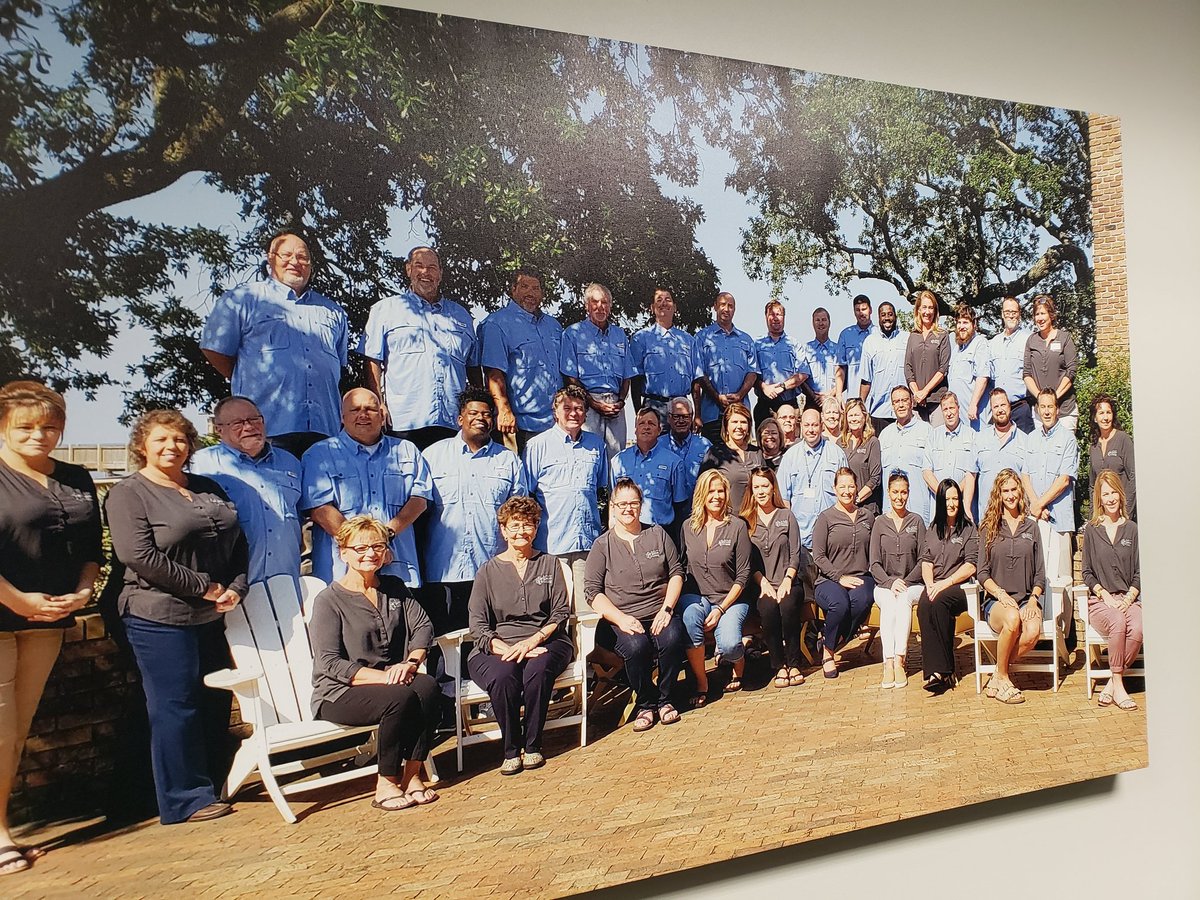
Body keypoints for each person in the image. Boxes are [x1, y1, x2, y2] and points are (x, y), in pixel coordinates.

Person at [105, 409, 248, 824]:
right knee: (175, 705)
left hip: (211, 615)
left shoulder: (207, 486)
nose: (173, 447)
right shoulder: (129, 493)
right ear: (142, 446)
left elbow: (238, 541)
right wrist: (203, 586)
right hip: (157, 615)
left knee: (215, 699)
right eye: (161, 440)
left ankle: (213, 784)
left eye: (180, 439)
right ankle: (182, 799)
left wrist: (236, 586)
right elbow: (138, 556)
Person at [0, 382, 102, 873]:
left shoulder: (76, 478)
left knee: (17, 730)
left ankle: (3, 826)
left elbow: (90, 552)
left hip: (50, 618)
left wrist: (83, 594)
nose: (39, 435)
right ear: (4, 425)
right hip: (4, 612)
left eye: (50, 426)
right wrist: (17, 599)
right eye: (26, 426)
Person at [310, 516, 440, 810]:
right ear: (343, 552)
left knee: (429, 687)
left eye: (378, 546)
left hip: (394, 681)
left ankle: (412, 775)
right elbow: (330, 662)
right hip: (340, 692)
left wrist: (411, 661)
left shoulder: (393, 587)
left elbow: (422, 626)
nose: (370, 554)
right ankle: (386, 782)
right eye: (360, 548)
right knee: (399, 696)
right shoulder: (329, 601)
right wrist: (385, 678)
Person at [200, 232, 349, 458]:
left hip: (324, 431)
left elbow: (338, 363)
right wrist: (246, 377)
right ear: (270, 258)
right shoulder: (243, 299)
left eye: (302, 257)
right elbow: (214, 350)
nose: (295, 262)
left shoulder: (333, 311)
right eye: (286, 255)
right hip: (268, 427)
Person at [467, 497, 573, 775]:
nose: (521, 532)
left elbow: (560, 612)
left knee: (537, 670)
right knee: (503, 676)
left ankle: (534, 745)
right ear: (503, 530)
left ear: (536, 528)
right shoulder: (487, 571)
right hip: (497, 645)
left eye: (528, 525)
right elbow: (477, 624)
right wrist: (502, 647)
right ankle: (511, 749)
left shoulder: (549, 564)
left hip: (547, 640)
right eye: (514, 526)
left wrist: (533, 641)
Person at [419, 388, 526, 635]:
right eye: (473, 412)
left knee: (490, 640)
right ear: (460, 419)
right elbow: (420, 511)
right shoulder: (432, 456)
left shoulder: (508, 460)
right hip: (443, 567)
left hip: (492, 567)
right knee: (447, 646)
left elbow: (519, 515)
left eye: (487, 414)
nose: (481, 418)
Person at [302, 389, 433, 588]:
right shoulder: (319, 455)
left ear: (382, 416)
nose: (363, 415)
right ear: (342, 417)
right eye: (355, 410)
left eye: (371, 409)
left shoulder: (407, 450)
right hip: (342, 572)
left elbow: (419, 501)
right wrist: (366, 547)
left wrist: (384, 538)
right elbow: (320, 510)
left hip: (398, 567)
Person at [585, 479, 687, 731]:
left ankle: (665, 700)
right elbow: (592, 592)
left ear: (641, 506)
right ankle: (645, 703)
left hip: (659, 612)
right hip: (621, 619)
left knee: (673, 639)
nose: (628, 508)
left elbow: (676, 573)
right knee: (637, 647)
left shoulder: (657, 534)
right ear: (613, 507)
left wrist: (667, 609)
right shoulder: (602, 545)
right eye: (622, 504)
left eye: (634, 503)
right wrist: (620, 618)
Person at [361, 246, 479, 449]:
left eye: (432, 267)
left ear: (440, 274)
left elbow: (474, 367)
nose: (426, 273)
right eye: (419, 266)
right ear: (408, 270)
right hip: (403, 421)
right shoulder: (385, 310)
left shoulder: (461, 315)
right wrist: (378, 404)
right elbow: (372, 361)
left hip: (452, 422)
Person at [189, 396, 302, 585]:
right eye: (238, 423)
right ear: (219, 430)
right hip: (230, 584)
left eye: (255, 420)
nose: (249, 427)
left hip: (285, 580)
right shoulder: (200, 464)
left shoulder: (291, 462)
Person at [522, 385, 610, 605]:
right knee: (554, 612)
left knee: (586, 612)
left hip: (586, 543)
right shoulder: (536, 446)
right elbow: (527, 497)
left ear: (586, 413)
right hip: (551, 545)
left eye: (579, 408)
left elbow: (602, 491)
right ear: (555, 411)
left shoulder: (597, 445)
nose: (573, 413)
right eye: (567, 407)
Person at [678, 470, 752, 705]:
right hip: (697, 597)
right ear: (702, 494)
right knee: (689, 618)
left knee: (730, 646)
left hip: (730, 598)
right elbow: (680, 567)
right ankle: (702, 683)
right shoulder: (688, 527)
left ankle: (738, 661)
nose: (717, 496)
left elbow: (743, 575)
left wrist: (721, 609)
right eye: (711, 491)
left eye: (721, 491)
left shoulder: (737, 526)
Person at [977, 468, 1047, 704]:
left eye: (1013, 489)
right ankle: (1005, 679)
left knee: (1033, 631)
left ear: (1020, 491)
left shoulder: (1031, 527)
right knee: (1012, 619)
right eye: (1005, 490)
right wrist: (1000, 593)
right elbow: (982, 572)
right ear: (999, 494)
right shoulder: (989, 527)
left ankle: (997, 675)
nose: (1010, 495)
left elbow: (1040, 574)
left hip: (1027, 598)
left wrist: (1034, 600)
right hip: (996, 601)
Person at [476, 269, 563, 453]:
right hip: (520, 425)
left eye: (536, 288)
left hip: (556, 422)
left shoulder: (554, 326)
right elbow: (493, 373)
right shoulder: (496, 324)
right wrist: (504, 410)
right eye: (524, 287)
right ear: (513, 290)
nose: (531, 293)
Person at [1081, 471, 1141, 710]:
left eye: (1114, 492)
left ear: (1120, 494)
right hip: (1100, 602)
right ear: (1099, 498)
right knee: (1117, 620)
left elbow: (1140, 571)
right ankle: (1119, 684)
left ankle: (1112, 683)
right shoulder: (1092, 530)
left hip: (1129, 599)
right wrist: (1104, 594)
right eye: (1105, 494)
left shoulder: (1133, 530)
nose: (1111, 498)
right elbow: (1086, 572)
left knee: (1138, 626)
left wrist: (1129, 598)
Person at [739, 467, 804, 689]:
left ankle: (795, 662)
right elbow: (747, 560)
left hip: (788, 580)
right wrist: (763, 583)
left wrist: (787, 579)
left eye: (764, 486)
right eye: (756, 487)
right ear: (751, 490)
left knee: (787, 606)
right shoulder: (745, 521)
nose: (761, 491)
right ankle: (779, 667)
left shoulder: (786, 515)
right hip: (762, 584)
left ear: (772, 487)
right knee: (767, 609)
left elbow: (796, 552)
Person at [776, 407, 847, 602]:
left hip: (832, 539)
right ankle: (810, 632)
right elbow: (784, 499)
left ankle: (829, 630)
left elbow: (846, 492)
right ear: (800, 426)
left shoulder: (836, 454)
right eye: (806, 425)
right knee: (807, 594)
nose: (811, 429)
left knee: (831, 590)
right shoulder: (791, 456)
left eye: (814, 425)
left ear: (821, 426)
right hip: (803, 538)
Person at [811, 467, 876, 678]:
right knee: (839, 604)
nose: (847, 491)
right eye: (842, 486)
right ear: (834, 489)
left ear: (857, 488)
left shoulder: (868, 516)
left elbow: (875, 551)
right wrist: (839, 577)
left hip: (861, 576)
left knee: (862, 600)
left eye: (851, 486)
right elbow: (818, 556)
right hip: (829, 579)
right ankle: (829, 653)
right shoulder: (826, 518)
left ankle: (831, 642)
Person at [916, 478, 978, 695]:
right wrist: (930, 584)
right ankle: (936, 672)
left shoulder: (968, 528)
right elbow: (926, 561)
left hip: (960, 586)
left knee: (939, 602)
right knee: (925, 604)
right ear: (940, 501)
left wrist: (944, 583)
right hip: (938, 583)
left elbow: (971, 565)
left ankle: (943, 670)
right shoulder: (933, 528)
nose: (951, 503)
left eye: (955, 498)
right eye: (947, 499)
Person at [560, 282, 633, 459]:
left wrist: (621, 401)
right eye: (595, 302)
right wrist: (594, 404)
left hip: (615, 405)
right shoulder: (573, 334)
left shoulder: (619, 335)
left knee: (617, 459)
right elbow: (570, 378)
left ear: (610, 307)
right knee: (588, 456)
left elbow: (627, 375)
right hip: (587, 405)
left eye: (605, 302)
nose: (600, 307)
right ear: (587, 306)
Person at [868, 472, 924, 688]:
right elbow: (874, 563)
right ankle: (888, 662)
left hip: (912, 585)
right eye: (895, 492)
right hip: (884, 585)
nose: (899, 497)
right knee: (891, 601)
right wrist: (890, 582)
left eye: (903, 492)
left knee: (903, 599)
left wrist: (906, 582)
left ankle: (900, 660)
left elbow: (923, 559)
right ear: (888, 494)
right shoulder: (880, 523)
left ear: (908, 493)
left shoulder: (916, 521)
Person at [1022, 389, 1077, 608]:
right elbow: (1025, 475)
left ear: (1057, 409)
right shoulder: (1031, 439)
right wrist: (1035, 506)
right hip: (1036, 519)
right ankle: (1041, 632)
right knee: (1038, 573)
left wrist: (1040, 503)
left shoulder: (1068, 439)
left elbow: (1064, 480)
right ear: (1037, 409)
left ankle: (1063, 634)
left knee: (1062, 577)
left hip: (1059, 519)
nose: (1046, 411)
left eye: (1050, 407)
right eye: (1042, 406)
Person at [692, 292, 758, 443]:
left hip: (740, 413)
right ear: (715, 307)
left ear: (734, 310)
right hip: (711, 414)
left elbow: (752, 372)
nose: (726, 309)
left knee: (741, 460)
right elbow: (698, 375)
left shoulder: (746, 340)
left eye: (730, 306)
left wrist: (740, 394)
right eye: (722, 305)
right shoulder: (702, 337)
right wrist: (714, 399)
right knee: (714, 460)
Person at [611, 408, 688, 537]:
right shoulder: (618, 461)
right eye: (642, 423)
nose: (646, 427)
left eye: (651, 424)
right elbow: (613, 501)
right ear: (635, 429)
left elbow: (680, 506)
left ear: (659, 430)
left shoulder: (674, 462)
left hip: (661, 534)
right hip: (626, 533)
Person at [630, 288, 695, 424]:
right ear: (652, 308)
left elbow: (696, 381)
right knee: (653, 445)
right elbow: (636, 379)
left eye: (668, 300)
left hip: (681, 407)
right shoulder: (640, 338)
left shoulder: (688, 340)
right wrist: (638, 413)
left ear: (675, 307)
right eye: (659, 300)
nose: (663, 303)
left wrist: (698, 415)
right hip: (653, 406)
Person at [1023, 294, 1078, 434]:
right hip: (1040, 413)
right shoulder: (1031, 341)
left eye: (1043, 313)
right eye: (1036, 314)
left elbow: (1071, 371)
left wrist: (1053, 398)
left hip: (1065, 409)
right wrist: (1042, 399)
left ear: (1051, 315)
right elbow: (1027, 374)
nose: (1039, 318)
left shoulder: (1064, 338)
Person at [878, 385, 933, 522]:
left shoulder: (927, 431)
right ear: (892, 405)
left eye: (904, 400)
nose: (901, 405)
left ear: (912, 403)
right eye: (896, 401)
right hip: (890, 514)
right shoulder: (884, 435)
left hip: (918, 511)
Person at [698, 402, 764, 514]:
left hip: (755, 520)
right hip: (728, 521)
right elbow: (702, 489)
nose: (739, 426)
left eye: (743, 422)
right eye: (734, 422)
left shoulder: (756, 452)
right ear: (726, 426)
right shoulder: (715, 453)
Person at [974, 388, 1028, 524]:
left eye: (1003, 405)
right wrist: (968, 508)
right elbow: (971, 475)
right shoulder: (979, 439)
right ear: (991, 411)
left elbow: (1029, 479)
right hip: (987, 519)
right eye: (995, 406)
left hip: (1017, 519)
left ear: (1009, 406)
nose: (1000, 410)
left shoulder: (1025, 441)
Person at [922, 392, 977, 523]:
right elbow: (926, 472)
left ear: (958, 408)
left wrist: (954, 494)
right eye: (945, 409)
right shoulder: (933, 436)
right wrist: (944, 495)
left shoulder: (972, 436)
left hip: (963, 506)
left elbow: (972, 472)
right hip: (938, 507)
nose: (949, 413)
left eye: (951, 408)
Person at [753, 299, 809, 426]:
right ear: (766, 317)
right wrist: (764, 387)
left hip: (789, 403)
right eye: (771, 314)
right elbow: (750, 373)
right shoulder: (756, 344)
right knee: (764, 443)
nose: (775, 318)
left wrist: (782, 387)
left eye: (779, 314)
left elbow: (803, 374)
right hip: (764, 404)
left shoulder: (794, 344)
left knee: (791, 444)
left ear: (784, 317)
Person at [858, 300, 907, 435]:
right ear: (878, 318)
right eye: (883, 315)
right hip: (879, 411)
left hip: (903, 411)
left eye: (890, 314)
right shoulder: (870, 342)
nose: (887, 318)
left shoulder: (907, 339)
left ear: (895, 317)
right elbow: (866, 379)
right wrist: (861, 406)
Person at [1088, 393, 1136, 521]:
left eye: (1108, 413)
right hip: (1103, 517)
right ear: (1095, 418)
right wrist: (1093, 517)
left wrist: (1126, 513)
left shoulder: (1123, 439)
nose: (1105, 417)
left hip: (1123, 514)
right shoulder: (1093, 446)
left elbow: (1133, 477)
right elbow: (1093, 486)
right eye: (1101, 413)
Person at [989, 296, 1034, 433]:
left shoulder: (1028, 340)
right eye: (1007, 312)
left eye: (1014, 312)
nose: (1011, 316)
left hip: (1020, 408)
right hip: (999, 412)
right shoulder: (993, 343)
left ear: (1019, 314)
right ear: (1002, 314)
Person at [905, 289, 950, 426]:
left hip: (936, 400)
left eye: (931, 308)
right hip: (917, 403)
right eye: (924, 307)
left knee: (938, 441)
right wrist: (917, 393)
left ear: (935, 311)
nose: (927, 312)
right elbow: (908, 367)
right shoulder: (913, 336)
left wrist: (925, 392)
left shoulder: (942, 335)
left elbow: (943, 369)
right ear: (918, 310)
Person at [658, 396, 712, 507]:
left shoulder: (705, 445)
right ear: (669, 418)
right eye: (676, 416)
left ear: (692, 417)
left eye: (685, 416)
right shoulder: (658, 445)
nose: (681, 421)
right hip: (666, 511)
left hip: (697, 509)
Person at [947, 303, 992, 431]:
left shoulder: (980, 343)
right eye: (959, 322)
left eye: (965, 322)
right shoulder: (956, 349)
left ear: (974, 325)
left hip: (974, 415)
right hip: (959, 417)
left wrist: (973, 404)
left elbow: (982, 377)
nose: (961, 327)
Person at [839, 398, 881, 515]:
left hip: (866, 507)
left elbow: (875, 479)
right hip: (844, 507)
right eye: (850, 415)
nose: (854, 419)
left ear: (864, 416)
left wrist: (855, 499)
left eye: (856, 415)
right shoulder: (840, 443)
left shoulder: (872, 442)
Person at [835, 294, 874, 404]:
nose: (861, 313)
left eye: (864, 309)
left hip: (875, 398)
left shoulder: (879, 334)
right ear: (854, 312)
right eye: (857, 310)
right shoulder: (846, 334)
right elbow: (840, 367)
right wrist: (838, 394)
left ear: (870, 310)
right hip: (852, 396)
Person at [802, 307, 839, 410]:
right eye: (817, 320)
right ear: (813, 323)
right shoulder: (805, 349)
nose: (821, 323)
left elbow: (844, 378)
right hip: (812, 402)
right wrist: (814, 397)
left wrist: (830, 395)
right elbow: (801, 379)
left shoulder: (838, 349)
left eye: (824, 320)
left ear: (829, 322)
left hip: (833, 402)